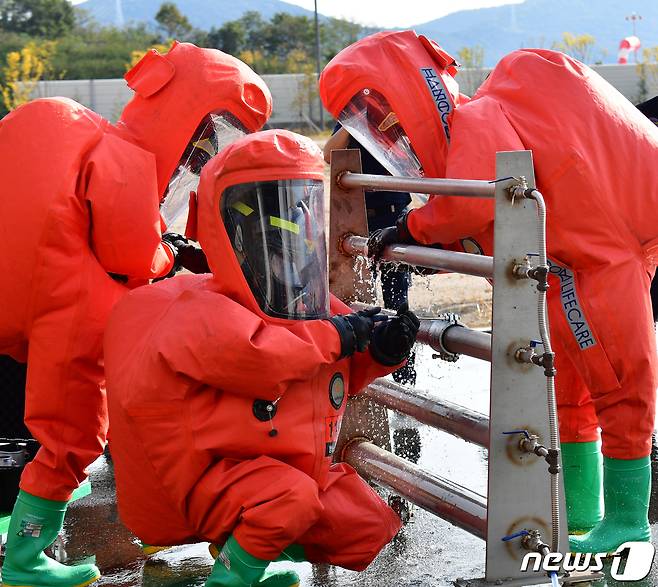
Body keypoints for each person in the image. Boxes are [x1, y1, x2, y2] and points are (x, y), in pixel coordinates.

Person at [319, 30, 658, 553]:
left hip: (594, 258)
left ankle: (629, 522)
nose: (384, 131)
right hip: (570, 264)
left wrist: (410, 230)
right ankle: (585, 511)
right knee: (572, 388)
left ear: (410, 92)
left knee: (618, 383)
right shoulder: (492, 116)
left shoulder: (478, 119)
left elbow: (469, 204)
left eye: (379, 109)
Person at [0, 41, 271, 587]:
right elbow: (130, 253)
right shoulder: (126, 161)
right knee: (71, 433)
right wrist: (171, 254)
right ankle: (25, 556)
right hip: (71, 314)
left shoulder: (64, 124)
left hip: (27, 300)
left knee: (50, 431)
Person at [104, 129, 418, 587]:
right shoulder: (199, 311)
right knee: (289, 502)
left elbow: (332, 363)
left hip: (277, 468)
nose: (284, 234)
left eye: (296, 208)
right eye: (266, 218)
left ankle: (247, 546)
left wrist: (382, 349)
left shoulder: (309, 306)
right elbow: (263, 356)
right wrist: (343, 334)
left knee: (366, 528)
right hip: (205, 481)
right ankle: (233, 576)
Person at [323, 124, 417, 385]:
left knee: (398, 297)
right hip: (357, 219)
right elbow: (329, 154)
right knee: (355, 298)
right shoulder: (353, 120)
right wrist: (354, 122)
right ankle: (366, 369)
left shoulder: (396, 118)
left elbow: (415, 156)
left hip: (392, 217)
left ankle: (405, 374)